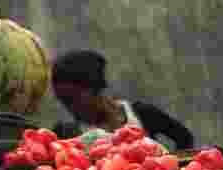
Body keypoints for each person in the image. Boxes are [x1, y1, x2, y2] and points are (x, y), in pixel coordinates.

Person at [51, 50, 193, 150]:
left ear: (94, 87)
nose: (69, 108)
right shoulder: (66, 134)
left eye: (72, 99)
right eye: (63, 102)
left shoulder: (143, 115)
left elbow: (184, 138)